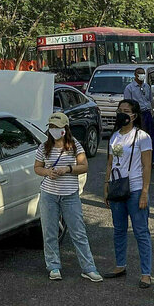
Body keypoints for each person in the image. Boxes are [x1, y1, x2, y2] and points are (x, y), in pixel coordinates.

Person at [34, 112, 102, 282]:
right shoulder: (43, 147)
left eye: (57, 127)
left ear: (65, 129)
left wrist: (68, 169)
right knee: (49, 232)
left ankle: (89, 268)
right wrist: (47, 172)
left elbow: (84, 166)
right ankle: (53, 266)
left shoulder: (75, 146)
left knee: (78, 232)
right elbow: (37, 168)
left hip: (70, 195)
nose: (53, 130)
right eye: (51, 127)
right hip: (49, 194)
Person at [103, 99, 153, 288]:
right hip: (118, 188)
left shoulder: (142, 137)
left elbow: (147, 165)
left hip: (136, 188)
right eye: (119, 110)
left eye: (126, 111)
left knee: (141, 231)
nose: (121, 114)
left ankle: (146, 273)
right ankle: (120, 265)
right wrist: (106, 185)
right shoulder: (115, 136)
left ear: (134, 115)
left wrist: (144, 192)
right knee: (119, 230)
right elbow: (111, 162)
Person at [123, 67, 154, 168]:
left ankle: (151, 161)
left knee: (150, 138)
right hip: (137, 116)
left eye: (143, 73)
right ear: (135, 75)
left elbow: (149, 99)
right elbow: (127, 104)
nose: (142, 76)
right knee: (137, 139)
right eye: (140, 74)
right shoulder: (129, 88)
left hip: (147, 114)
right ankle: (137, 162)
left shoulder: (147, 87)